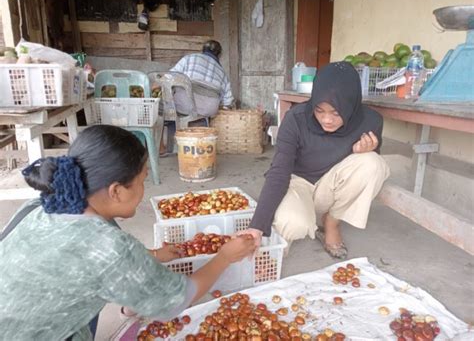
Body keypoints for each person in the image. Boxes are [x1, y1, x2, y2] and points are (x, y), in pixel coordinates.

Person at [0, 125, 255, 341]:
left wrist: (152, 256)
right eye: (142, 181)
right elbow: (179, 300)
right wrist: (225, 256)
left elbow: (73, 258)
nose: (144, 191)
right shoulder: (109, 247)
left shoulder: (43, 205)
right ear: (116, 191)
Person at [239, 62, 390, 259]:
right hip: (297, 182)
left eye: (336, 113)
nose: (327, 120)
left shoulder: (370, 121)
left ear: (351, 105)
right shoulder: (296, 119)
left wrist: (362, 151)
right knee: (292, 224)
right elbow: (279, 171)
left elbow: (366, 167)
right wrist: (257, 227)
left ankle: (332, 222)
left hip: (331, 185)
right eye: (320, 111)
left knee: (373, 163)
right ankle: (284, 231)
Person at [170, 39, 234, 117]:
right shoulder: (222, 73)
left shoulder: (189, 58)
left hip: (184, 105)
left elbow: (169, 76)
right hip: (208, 110)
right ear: (219, 55)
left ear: (203, 50)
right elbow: (228, 102)